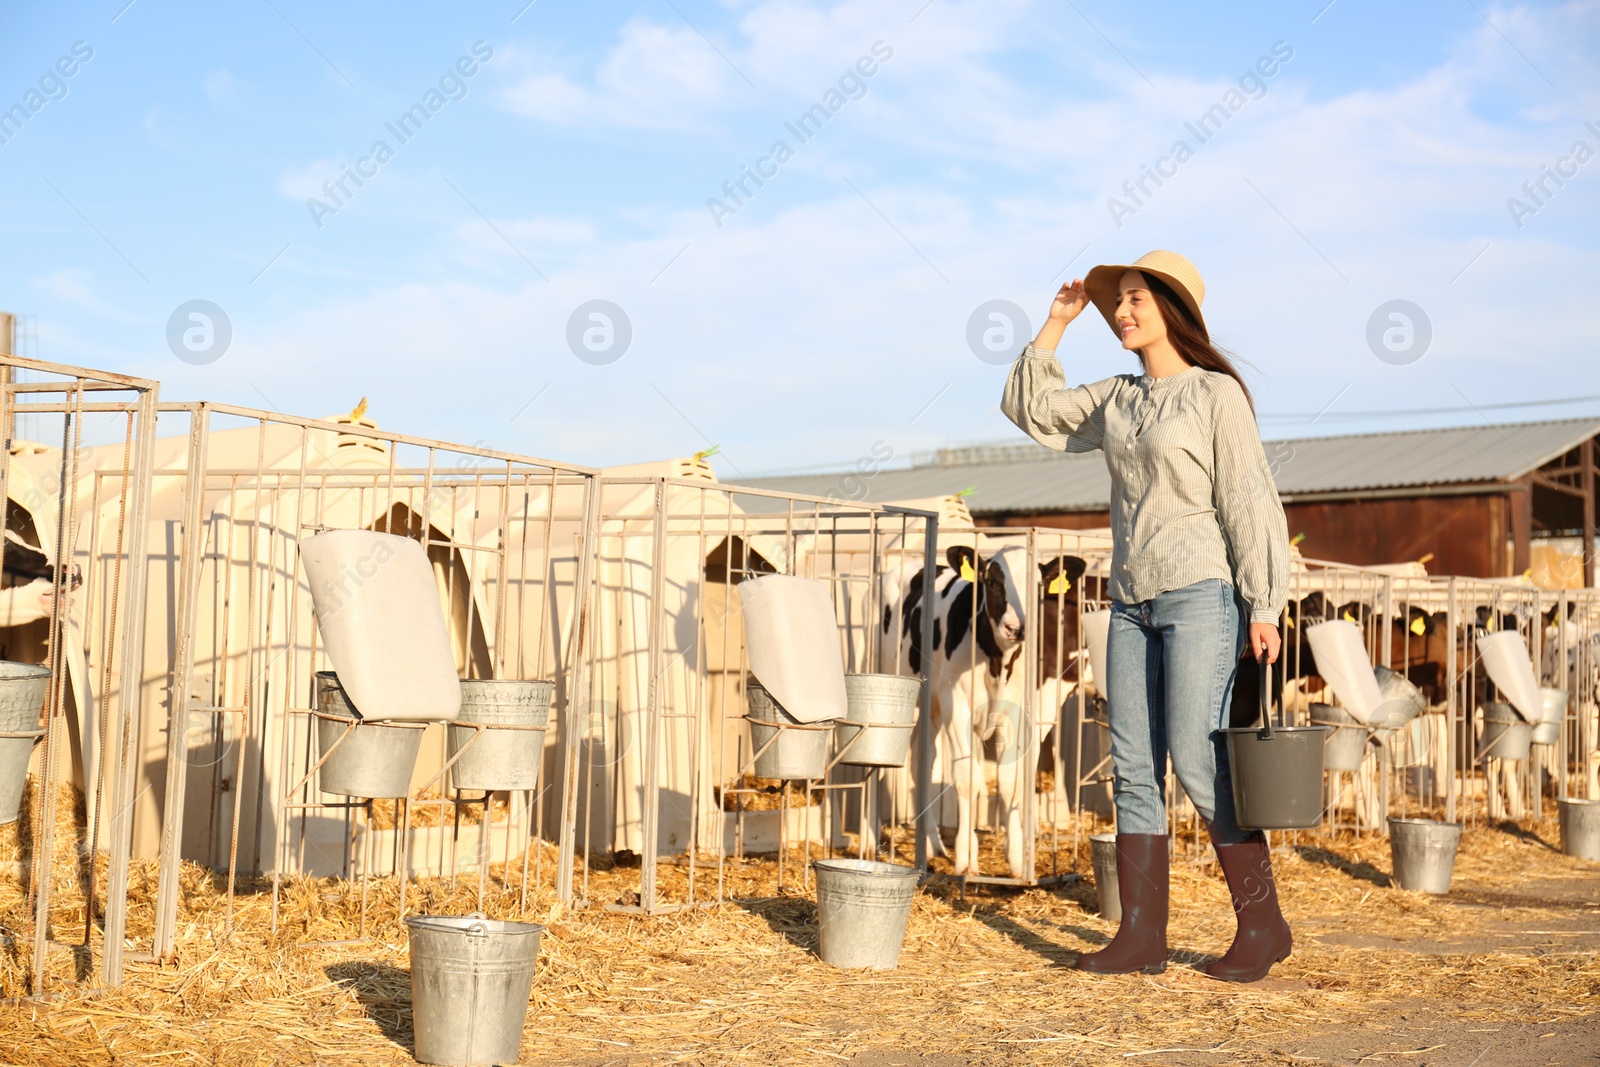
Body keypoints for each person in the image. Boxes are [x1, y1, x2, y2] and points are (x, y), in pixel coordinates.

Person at [999, 250, 1293, 983]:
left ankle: (1262, 922)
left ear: (1173, 309)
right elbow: (1032, 410)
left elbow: (1251, 500)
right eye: (1119, 301)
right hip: (1130, 599)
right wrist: (1055, 326)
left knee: (1198, 759)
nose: (1122, 312)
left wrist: (1263, 602)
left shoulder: (1214, 394)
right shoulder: (1118, 399)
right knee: (1132, 765)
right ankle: (1141, 935)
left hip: (1203, 595)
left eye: (1135, 299)